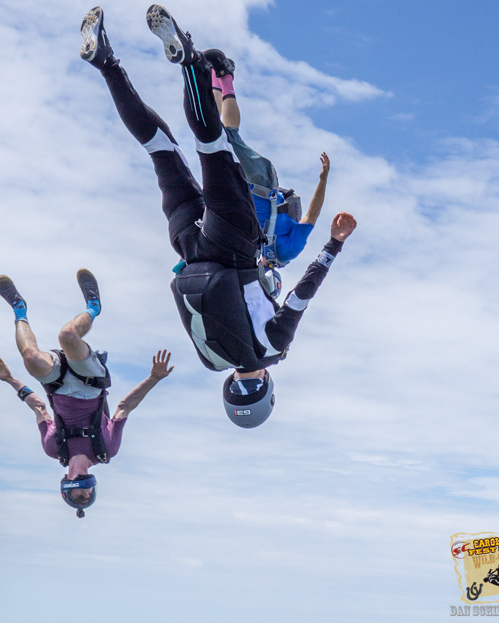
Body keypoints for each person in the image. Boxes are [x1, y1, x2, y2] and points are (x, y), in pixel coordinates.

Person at [80, 5, 356, 428]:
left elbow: (303, 294)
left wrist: (334, 245)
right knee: (160, 149)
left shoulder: (272, 350)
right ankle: (106, 63)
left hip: (234, 245)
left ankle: (190, 60)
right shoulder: (212, 360)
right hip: (189, 246)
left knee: (213, 147)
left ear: (267, 389)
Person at [0, 271, 173, 517]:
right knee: (67, 335)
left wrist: (10, 379)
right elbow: (124, 407)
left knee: (30, 358)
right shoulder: (106, 450)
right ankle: (94, 306)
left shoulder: (53, 448)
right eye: (88, 497)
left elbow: (39, 408)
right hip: (90, 385)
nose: (86, 494)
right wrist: (153, 378)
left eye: (79, 497)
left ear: (66, 489)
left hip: (55, 386)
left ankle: (19, 308)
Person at [208, 50, 331, 269]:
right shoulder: (288, 251)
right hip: (262, 183)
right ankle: (225, 77)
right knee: (229, 136)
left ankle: (214, 77)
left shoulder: (250, 252)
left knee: (219, 140)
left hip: (242, 187)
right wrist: (323, 180)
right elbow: (312, 215)